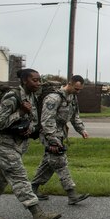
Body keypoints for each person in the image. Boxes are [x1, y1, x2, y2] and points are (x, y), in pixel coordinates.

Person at [0, 69, 61, 219]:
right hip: (4, 145)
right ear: (25, 81)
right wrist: (20, 112)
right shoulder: (12, 97)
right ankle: (37, 214)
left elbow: (31, 120)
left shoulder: (32, 97)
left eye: (39, 80)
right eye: (35, 80)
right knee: (19, 177)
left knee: (0, 181)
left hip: (17, 145)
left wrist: (31, 130)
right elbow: (0, 122)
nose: (38, 83)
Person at [31, 75, 90, 205]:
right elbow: (46, 121)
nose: (78, 92)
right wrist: (52, 139)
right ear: (70, 83)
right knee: (59, 161)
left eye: (80, 90)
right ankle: (72, 193)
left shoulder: (72, 98)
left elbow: (75, 117)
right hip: (49, 133)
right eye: (76, 89)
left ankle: (33, 187)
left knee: (49, 162)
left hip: (60, 133)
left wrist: (82, 130)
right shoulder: (53, 98)